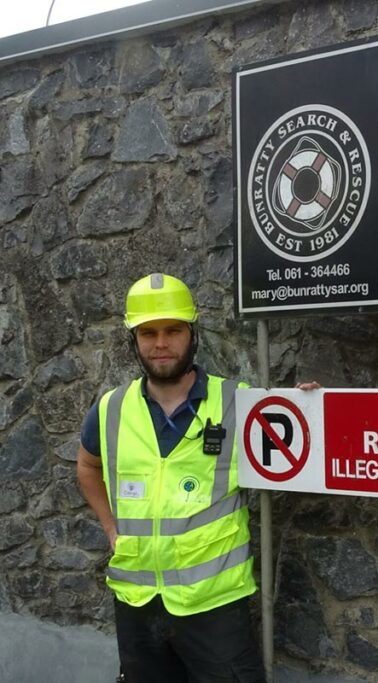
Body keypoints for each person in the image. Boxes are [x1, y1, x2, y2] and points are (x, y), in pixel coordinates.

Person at [77, 274, 271, 682]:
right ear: (134, 340)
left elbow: (299, 442)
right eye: (148, 333)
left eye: (172, 331)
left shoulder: (238, 402)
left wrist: (308, 407)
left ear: (192, 334)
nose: (160, 343)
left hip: (214, 604)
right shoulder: (111, 409)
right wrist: (109, 526)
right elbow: (88, 465)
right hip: (137, 601)